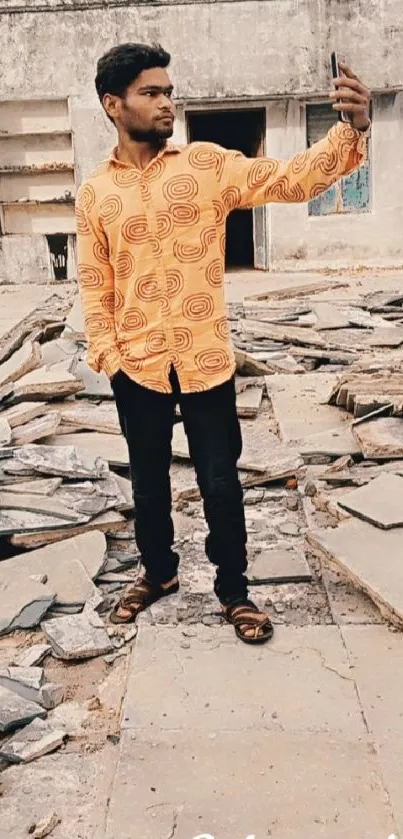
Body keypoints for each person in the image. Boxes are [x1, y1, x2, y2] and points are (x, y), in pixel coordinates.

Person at [76, 42, 370, 644]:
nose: (167, 103)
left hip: (207, 358)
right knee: (148, 481)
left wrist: (352, 128)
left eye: (168, 91)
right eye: (150, 93)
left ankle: (234, 591)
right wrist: (109, 356)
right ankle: (157, 573)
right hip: (137, 364)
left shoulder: (205, 167)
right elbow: (93, 282)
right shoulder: (95, 194)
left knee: (219, 480)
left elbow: (290, 180)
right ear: (114, 104)